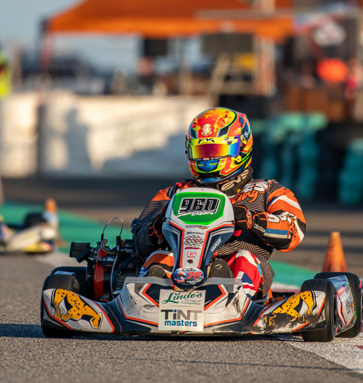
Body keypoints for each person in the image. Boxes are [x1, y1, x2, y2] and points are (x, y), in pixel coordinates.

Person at [131, 107, 306, 298]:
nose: (207, 159)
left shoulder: (267, 191)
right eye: (201, 151)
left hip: (240, 274)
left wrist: (253, 220)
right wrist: (159, 224)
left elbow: (294, 230)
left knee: (243, 258)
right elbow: (140, 245)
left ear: (241, 148)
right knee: (158, 259)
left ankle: (232, 301)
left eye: (215, 151)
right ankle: (147, 302)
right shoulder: (174, 193)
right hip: (182, 271)